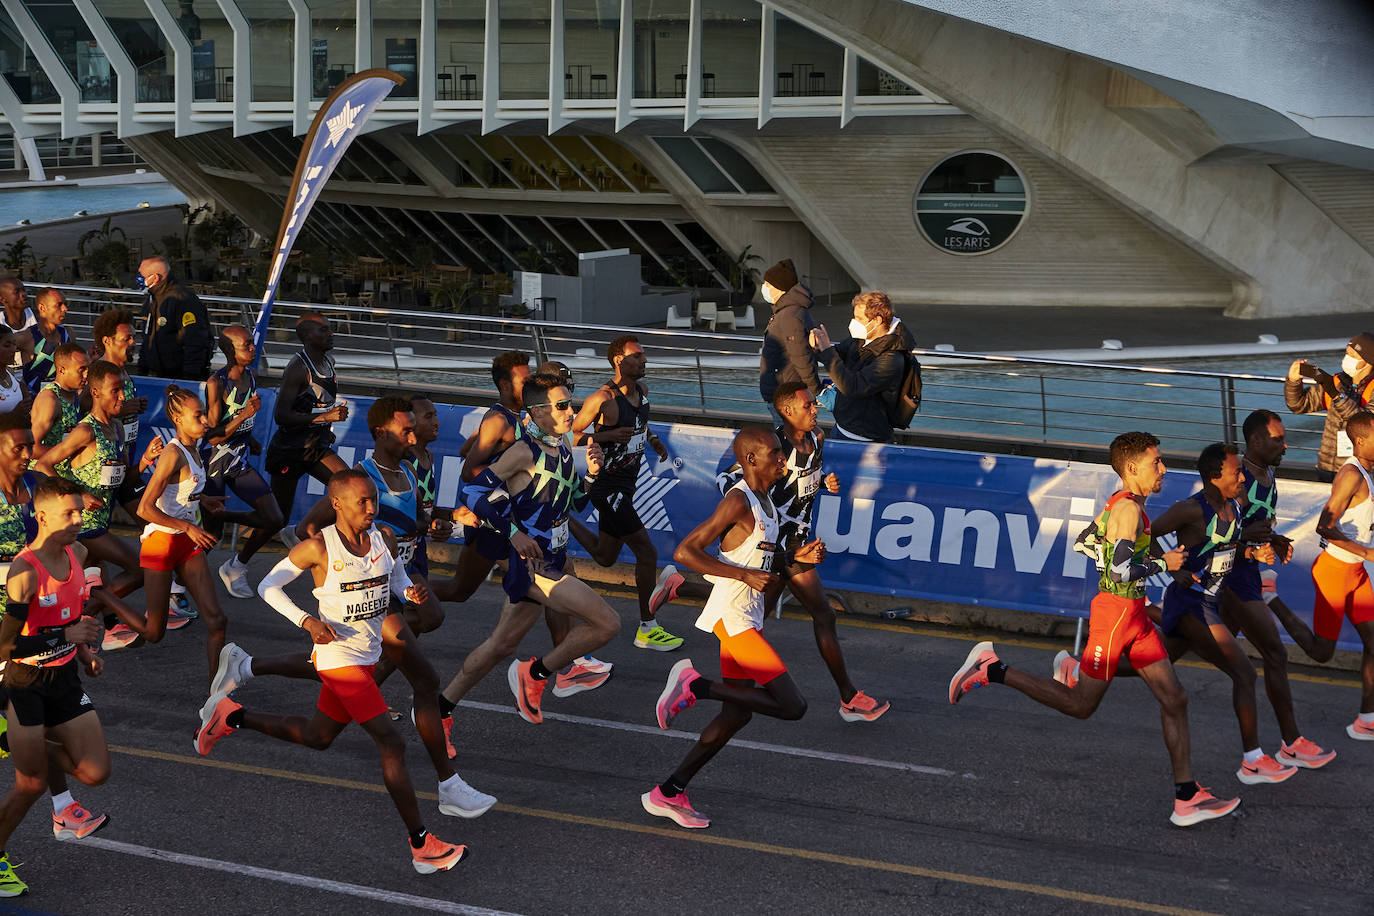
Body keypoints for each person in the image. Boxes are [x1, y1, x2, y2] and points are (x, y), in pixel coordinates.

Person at [948, 431, 1240, 827]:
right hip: (1116, 616)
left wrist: (1138, 557)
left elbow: (1086, 542)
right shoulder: (1128, 511)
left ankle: (1187, 797)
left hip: (1133, 613)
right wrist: (1164, 564)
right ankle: (993, 669)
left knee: (1175, 698)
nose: (1164, 469)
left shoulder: (1126, 506)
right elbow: (1120, 569)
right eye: (1157, 462)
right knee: (1081, 707)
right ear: (1132, 468)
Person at [194, 470, 470, 874]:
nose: (372, 508)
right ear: (336, 504)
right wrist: (306, 622)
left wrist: (409, 591)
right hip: (338, 661)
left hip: (365, 655)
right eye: (363, 502)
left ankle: (231, 716)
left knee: (317, 737)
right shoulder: (318, 547)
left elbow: (395, 577)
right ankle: (422, 845)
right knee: (391, 744)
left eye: (374, 499)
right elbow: (270, 586)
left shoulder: (382, 538)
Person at [641, 427, 816, 830]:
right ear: (751, 459)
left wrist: (793, 556)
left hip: (747, 616)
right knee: (793, 706)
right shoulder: (739, 500)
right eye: (775, 454)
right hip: (733, 619)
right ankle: (693, 685)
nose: (783, 462)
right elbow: (686, 550)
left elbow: (758, 559)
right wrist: (742, 575)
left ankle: (668, 791)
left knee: (736, 716)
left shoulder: (767, 501)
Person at [438, 372, 620, 729]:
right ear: (537, 412)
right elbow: (472, 492)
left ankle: (440, 708)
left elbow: (574, 504)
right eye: (562, 406)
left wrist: (593, 475)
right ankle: (535, 673)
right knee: (608, 623)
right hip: (535, 568)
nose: (571, 412)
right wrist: (513, 533)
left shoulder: (564, 447)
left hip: (554, 560)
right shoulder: (524, 451)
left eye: (572, 403)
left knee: (498, 647)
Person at [708, 382, 889, 721]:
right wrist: (753, 513)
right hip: (774, 546)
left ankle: (737, 695)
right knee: (758, 620)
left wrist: (824, 482)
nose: (816, 408)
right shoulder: (773, 446)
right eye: (809, 405)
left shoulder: (817, 438)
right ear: (788, 411)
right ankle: (734, 693)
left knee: (757, 620)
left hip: (797, 542)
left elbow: (804, 481)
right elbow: (727, 480)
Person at [1143, 443, 1314, 784]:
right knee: (1245, 674)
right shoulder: (1189, 509)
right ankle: (1252, 760)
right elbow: (1146, 531)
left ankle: (1082, 669)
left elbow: (1228, 549)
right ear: (1215, 476)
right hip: (1189, 601)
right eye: (1236, 472)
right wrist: (1168, 568)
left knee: (1151, 662)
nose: (1242, 477)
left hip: (1208, 601)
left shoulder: (1235, 505)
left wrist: (1255, 553)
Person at [0, 477, 113, 897]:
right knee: (29, 785)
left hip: (65, 679)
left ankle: (20, 740)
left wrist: (83, 651)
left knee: (96, 772)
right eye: (70, 513)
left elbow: (72, 613)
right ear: (42, 516)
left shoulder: (78, 552)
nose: (79, 520)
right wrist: (67, 636)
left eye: (80, 511)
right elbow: (5, 645)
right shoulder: (25, 572)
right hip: (26, 682)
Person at [1217, 410, 1338, 769]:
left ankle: (1086, 668)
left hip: (1247, 571)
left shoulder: (1268, 472)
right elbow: (1218, 534)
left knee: (1184, 645)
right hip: (1232, 577)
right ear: (1255, 441)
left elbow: (1257, 524)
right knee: (1274, 654)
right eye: (1278, 439)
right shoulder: (1239, 481)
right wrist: (1250, 545)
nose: (1286, 445)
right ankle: (1290, 743)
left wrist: (1275, 537)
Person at [35, 361, 164, 645]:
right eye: (114, 391)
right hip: (82, 524)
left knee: (93, 583)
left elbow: (124, 482)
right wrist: (77, 496)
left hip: (101, 518)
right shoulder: (86, 431)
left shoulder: (117, 428)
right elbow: (44, 464)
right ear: (95, 391)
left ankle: (90, 630)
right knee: (138, 569)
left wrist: (144, 462)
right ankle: (81, 618)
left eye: (122, 390)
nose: (121, 397)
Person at [570, 335, 682, 651]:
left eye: (644, 356)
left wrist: (655, 439)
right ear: (620, 360)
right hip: (606, 486)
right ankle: (647, 627)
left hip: (627, 484)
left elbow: (640, 425)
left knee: (605, 557)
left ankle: (564, 519)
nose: (644, 360)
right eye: (638, 356)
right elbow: (572, 434)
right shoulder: (602, 399)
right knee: (646, 552)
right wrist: (605, 435)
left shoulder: (642, 393)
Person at [1268, 410, 1374, 741]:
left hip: (1354, 572)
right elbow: (1324, 526)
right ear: (1360, 440)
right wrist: (1368, 552)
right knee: (1321, 652)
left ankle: (1366, 719)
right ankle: (1270, 597)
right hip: (1335, 571)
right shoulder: (1351, 475)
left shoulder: (1369, 472)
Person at [132, 385, 230, 690]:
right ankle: (98, 595)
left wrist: (203, 501)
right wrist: (188, 526)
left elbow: (180, 493)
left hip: (187, 544)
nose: (205, 420)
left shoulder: (195, 447)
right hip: (162, 543)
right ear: (177, 418)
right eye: (198, 415)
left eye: (203, 414)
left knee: (217, 621)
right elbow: (145, 508)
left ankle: (214, 695)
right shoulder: (172, 453)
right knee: (154, 633)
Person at [204, 326, 285, 598]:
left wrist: (249, 438)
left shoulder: (250, 375)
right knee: (210, 537)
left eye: (252, 344)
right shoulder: (217, 383)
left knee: (274, 518)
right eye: (246, 345)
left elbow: (242, 419)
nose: (253, 348)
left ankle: (236, 567)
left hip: (238, 461)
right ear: (229, 350)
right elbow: (214, 437)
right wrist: (243, 417)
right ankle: (176, 583)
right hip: (214, 466)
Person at [262, 313, 349, 547]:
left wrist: (325, 423)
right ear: (306, 336)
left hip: (316, 446)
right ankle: (238, 564)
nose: (331, 334)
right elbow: (281, 415)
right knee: (276, 519)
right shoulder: (298, 368)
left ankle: (305, 531)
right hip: (291, 449)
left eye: (331, 329)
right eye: (324, 331)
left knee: (351, 488)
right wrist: (324, 417)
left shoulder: (329, 363)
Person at [809, 291, 916, 444]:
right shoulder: (860, 340)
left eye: (859, 318)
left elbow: (852, 387)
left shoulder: (891, 359)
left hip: (868, 440)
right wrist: (817, 347)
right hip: (842, 428)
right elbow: (837, 353)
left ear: (877, 320)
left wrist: (827, 352)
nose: (854, 322)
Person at [1286, 334, 1374, 479]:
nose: (1347, 358)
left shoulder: (1339, 387)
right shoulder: (1336, 381)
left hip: (1360, 472)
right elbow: (1298, 405)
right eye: (1347, 353)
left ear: (1367, 361)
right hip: (1327, 467)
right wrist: (1294, 381)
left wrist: (1337, 396)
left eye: (1353, 355)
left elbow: (1363, 423)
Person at [135, 256, 213, 380]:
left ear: (155, 278)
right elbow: (147, 339)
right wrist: (141, 370)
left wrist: (189, 379)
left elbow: (196, 342)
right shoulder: (152, 299)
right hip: (156, 375)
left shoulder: (183, 300)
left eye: (141, 275)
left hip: (179, 377)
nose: (138, 279)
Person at [757, 258, 822, 408]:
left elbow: (802, 357)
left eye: (768, 284)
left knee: (788, 432)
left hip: (787, 395)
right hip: (784, 392)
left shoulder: (790, 316)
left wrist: (814, 392)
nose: (764, 287)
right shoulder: (788, 311)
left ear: (779, 288)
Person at [29, 343, 86, 461]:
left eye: (88, 368)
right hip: (46, 476)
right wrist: (70, 451)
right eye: (82, 369)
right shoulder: (50, 400)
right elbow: (31, 448)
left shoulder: (73, 393)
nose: (86, 374)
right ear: (62, 370)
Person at [18, 289, 70, 396]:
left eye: (65, 304)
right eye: (59, 305)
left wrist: (90, 358)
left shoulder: (67, 333)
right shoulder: (27, 336)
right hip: (34, 403)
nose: (65, 308)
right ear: (42, 308)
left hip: (62, 400)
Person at [0, 331, 30, 416]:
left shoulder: (10, 373)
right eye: (7, 345)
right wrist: (14, 414)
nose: (13, 350)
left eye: (14, 344)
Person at [0, 279, 33, 343]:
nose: (24, 294)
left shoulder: (39, 317)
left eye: (23, 290)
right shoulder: (1, 323)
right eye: (16, 292)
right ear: (3, 299)